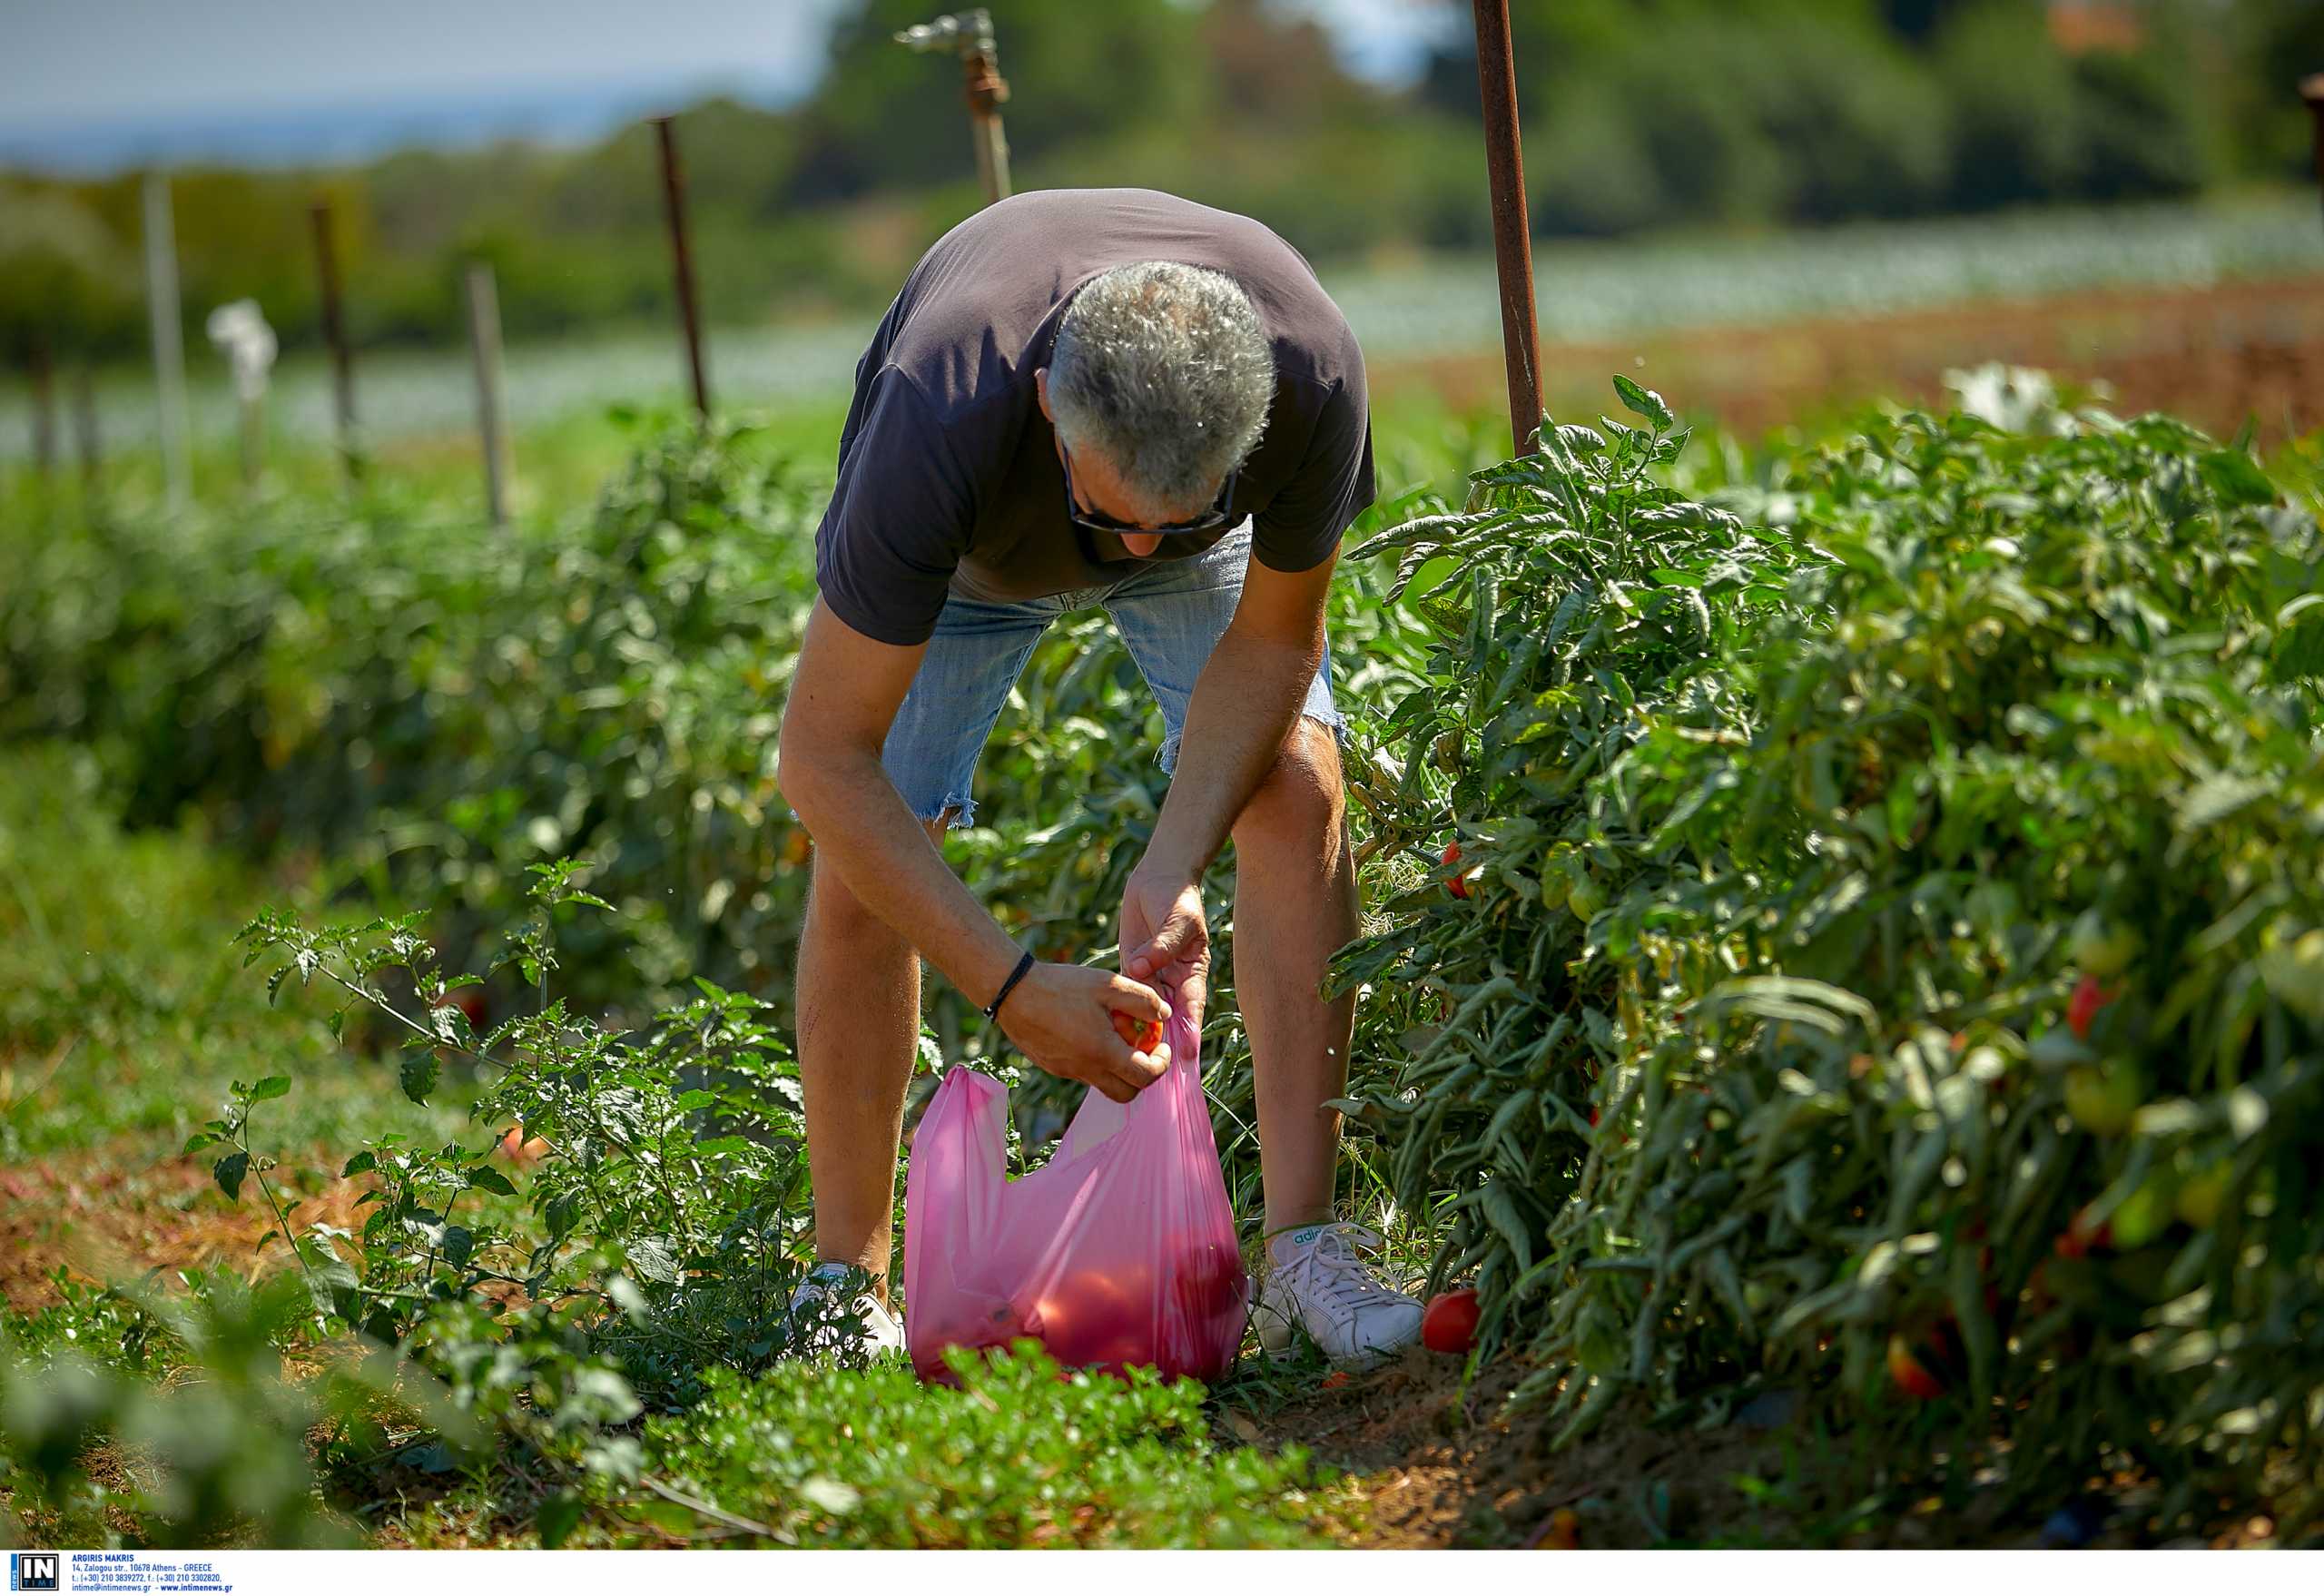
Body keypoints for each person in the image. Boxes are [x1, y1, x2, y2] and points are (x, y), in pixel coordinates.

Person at [775, 187, 1423, 1368]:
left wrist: (1172, 866)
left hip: (1163, 478)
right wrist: (1013, 986)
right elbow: (821, 760)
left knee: (1296, 789)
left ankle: (1306, 1255)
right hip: (979, 550)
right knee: (869, 846)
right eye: (1109, 519)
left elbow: (1277, 642)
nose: (1131, 556)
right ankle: (845, 1289)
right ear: (1048, 412)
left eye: (1167, 523)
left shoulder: (1313, 378)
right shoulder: (942, 408)